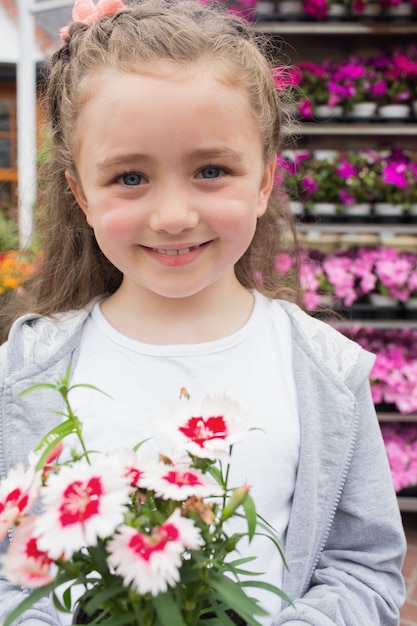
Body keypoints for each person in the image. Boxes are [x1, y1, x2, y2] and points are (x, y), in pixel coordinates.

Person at [0, 0, 406, 623]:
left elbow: (363, 568)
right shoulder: (28, 370)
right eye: (130, 177)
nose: (173, 215)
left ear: (266, 177)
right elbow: (10, 569)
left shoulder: (323, 370)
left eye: (211, 170)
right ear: (79, 192)